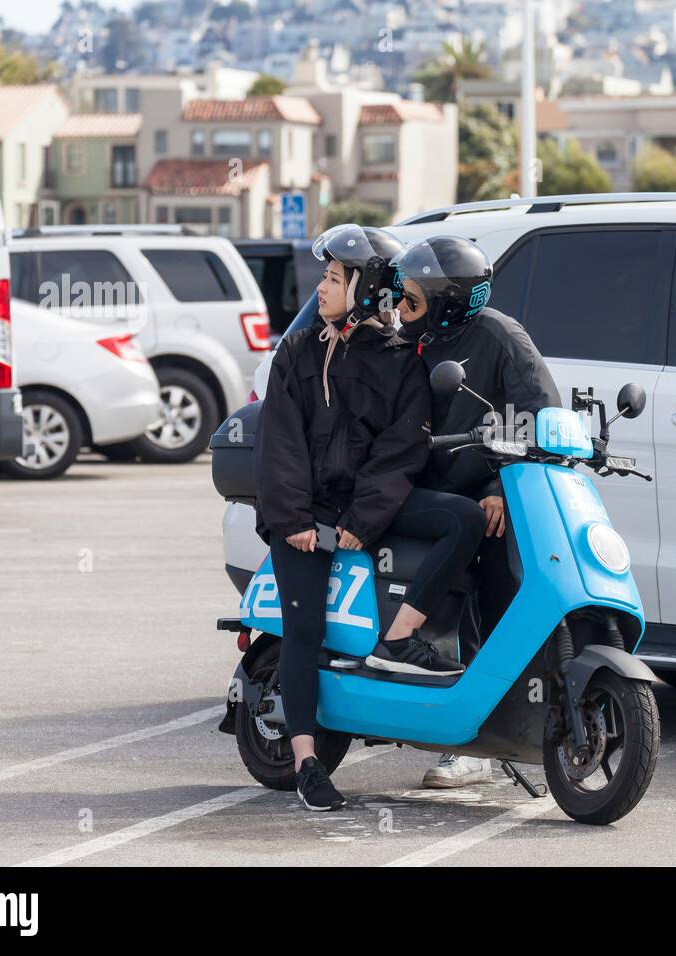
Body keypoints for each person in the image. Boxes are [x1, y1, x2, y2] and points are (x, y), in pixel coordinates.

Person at [254, 224, 437, 812]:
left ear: (368, 288)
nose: (323, 288)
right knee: (302, 633)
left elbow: (403, 449)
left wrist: (363, 518)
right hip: (301, 521)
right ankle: (308, 763)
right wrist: (294, 520)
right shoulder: (299, 348)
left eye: (335, 278)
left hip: (358, 518)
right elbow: (278, 441)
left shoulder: (401, 362)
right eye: (326, 276)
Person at [388, 235, 562, 789]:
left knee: (498, 597)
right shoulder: (412, 340)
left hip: (483, 498)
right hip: (425, 493)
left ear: (445, 299)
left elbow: (540, 418)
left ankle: (481, 739)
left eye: (412, 296)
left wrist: (498, 487)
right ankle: (454, 725)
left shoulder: (499, 338)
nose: (400, 305)